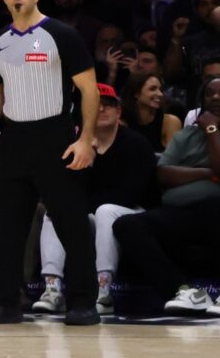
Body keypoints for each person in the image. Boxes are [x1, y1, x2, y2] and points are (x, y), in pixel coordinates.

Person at [0, 0, 101, 324]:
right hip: (13, 140)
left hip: (56, 137)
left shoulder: (61, 34)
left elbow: (89, 90)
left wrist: (86, 139)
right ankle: (6, 303)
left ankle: (82, 302)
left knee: (71, 224)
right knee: (9, 227)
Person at [36, 82, 160, 315]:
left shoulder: (136, 144)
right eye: (97, 106)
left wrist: (80, 207)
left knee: (105, 210)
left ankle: (103, 290)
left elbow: (129, 194)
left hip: (135, 215)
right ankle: (52, 288)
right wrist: (88, 163)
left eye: (109, 106)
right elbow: (64, 191)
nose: (102, 110)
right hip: (93, 216)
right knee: (56, 212)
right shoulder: (74, 148)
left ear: (119, 111)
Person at [117, 73, 220, 314]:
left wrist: (212, 130)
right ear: (201, 99)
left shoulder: (208, 130)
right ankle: (184, 291)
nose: (215, 96)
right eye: (209, 93)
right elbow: (162, 174)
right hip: (182, 213)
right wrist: (209, 174)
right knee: (126, 225)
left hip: (215, 210)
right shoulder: (186, 136)